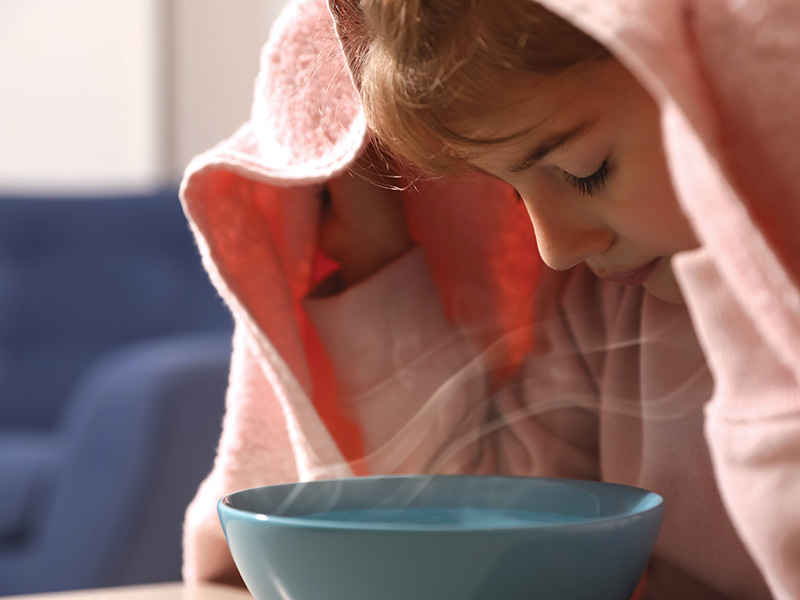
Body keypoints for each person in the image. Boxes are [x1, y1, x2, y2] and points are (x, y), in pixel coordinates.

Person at [179, 0, 800, 598]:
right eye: (511, 194)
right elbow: (486, 528)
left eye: (586, 171)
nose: (553, 249)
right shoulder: (603, 310)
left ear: (730, 72)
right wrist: (376, 254)